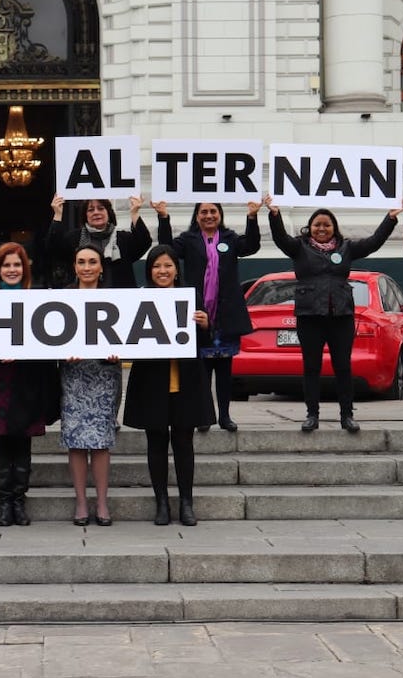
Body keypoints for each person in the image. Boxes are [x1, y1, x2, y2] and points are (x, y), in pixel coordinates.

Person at [268, 201, 401, 433]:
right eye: (317, 225)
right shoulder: (298, 247)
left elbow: (373, 243)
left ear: (334, 227)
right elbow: (280, 238)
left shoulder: (346, 248)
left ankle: (347, 416)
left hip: (341, 315)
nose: (322, 228)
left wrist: (390, 219)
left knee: (343, 367)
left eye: (327, 225)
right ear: (310, 228)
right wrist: (275, 214)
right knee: (311, 367)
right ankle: (312, 415)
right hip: (309, 316)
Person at [123, 245, 214, 526]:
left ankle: (186, 502)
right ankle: (161, 502)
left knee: (184, 442)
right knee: (157, 441)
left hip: (186, 380)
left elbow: (205, 345)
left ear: (177, 269)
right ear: (150, 271)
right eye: (157, 267)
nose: (163, 271)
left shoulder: (191, 296)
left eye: (168, 266)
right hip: (152, 380)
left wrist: (205, 325)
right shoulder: (140, 299)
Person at [160, 200, 263, 432]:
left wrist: (252, 217)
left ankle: (225, 416)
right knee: (201, 371)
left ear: (220, 214)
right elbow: (167, 249)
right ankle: (204, 416)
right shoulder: (188, 240)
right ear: (196, 216)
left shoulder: (230, 238)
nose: (208, 215)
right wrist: (163, 217)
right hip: (198, 315)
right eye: (203, 212)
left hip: (225, 316)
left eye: (213, 211)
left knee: (225, 371)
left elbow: (252, 246)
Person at [0, 243, 59, 526]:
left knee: (23, 442)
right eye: (6, 265)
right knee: (1, 442)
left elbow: (48, 348)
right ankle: (4, 502)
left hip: (27, 380)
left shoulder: (38, 300)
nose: (12, 270)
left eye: (17, 265)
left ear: (25, 269)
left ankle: (19, 501)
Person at [59, 244, 122, 526]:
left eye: (92, 262)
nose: (86, 267)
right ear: (74, 266)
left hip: (104, 374)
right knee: (75, 441)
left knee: (100, 442)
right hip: (73, 375)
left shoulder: (116, 298)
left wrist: (119, 351)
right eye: (81, 261)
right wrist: (61, 351)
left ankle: (103, 503)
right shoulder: (61, 299)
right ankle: (81, 502)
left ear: (101, 267)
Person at [46, 195, 160, 288]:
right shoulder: (74, 238)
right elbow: (53, 248)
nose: (96, 212)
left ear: (108, 213)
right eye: (90, 210)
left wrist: (134, 212)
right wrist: (58, 214)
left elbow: (144, 241)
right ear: (85, 215)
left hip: (121, 298)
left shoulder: (123, 239)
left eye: (101, 208)